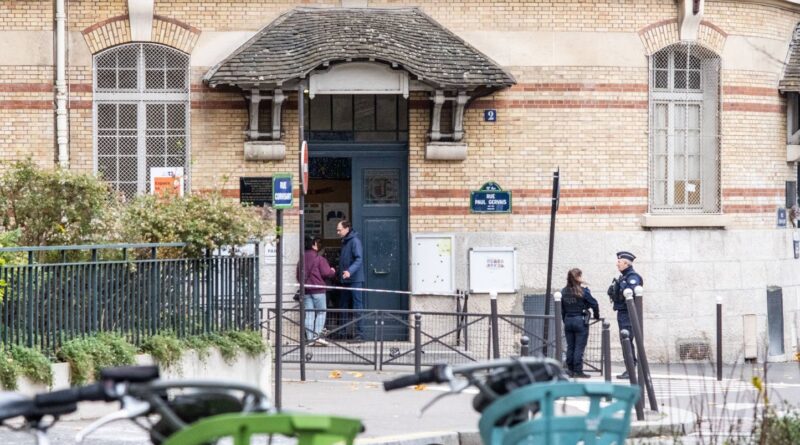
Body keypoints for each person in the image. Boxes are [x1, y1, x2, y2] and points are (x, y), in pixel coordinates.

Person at [607, 251, 643, 379]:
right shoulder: (623, 277)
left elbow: (630, 292)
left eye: (619, 262)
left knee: (627, 340)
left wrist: (619, 286)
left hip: (628, 313)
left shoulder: (633, 277)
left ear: (627, 264)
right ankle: (629, 368)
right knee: (624, 341)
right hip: (622, 312)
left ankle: (631, 369)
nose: (617, 264)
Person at [297, 235, 336, 346]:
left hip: (306, 291)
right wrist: (332, 270)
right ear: (314, 244)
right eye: (316, 243)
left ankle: (309, 339)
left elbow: (298, 275)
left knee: (309, 314)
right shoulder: (319, 258)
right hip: (318, 290)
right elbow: (326, 273)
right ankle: (317, 337)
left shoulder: (302, 259)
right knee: (321, 312)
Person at [561, 268, 599, 378]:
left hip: (568, 320)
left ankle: (570, 370)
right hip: (579, 320)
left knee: (570, 346)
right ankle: (578, 371)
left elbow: (562, 309)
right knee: (579, 347)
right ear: (578, 277)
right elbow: (594, 304)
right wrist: (596, 315)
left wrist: (565, 320)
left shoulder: (563, 291)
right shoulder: (583, 291)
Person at [336, 219, 365, 342]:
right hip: (345, 279)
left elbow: (359, 259)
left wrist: (349, 271)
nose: (337, 232)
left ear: (347, 229)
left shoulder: (354, 241)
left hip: (354, 280)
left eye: (339, 229)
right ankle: (342, 332)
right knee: (343, 306)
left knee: (357, 306)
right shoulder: (345, 242)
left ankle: (360, 334)